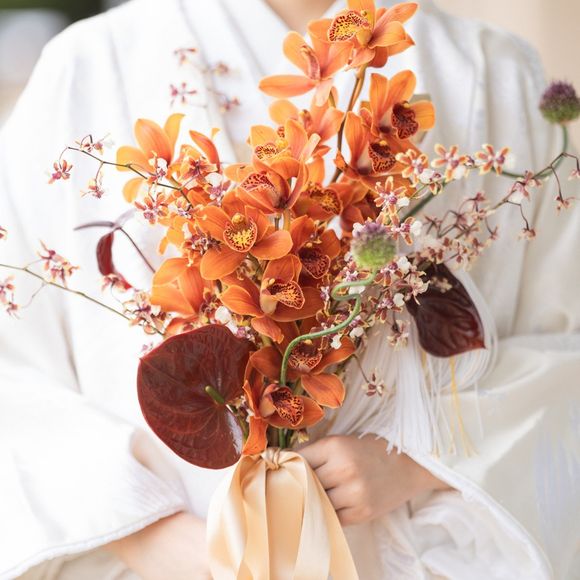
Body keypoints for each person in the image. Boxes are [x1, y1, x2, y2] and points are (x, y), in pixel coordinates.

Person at [0, 0, 578, 578]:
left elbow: (563, 344)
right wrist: (143, 531)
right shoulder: (90, 65)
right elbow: (15, 360)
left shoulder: (489, 69)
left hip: (418, 553)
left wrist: (418, 461)